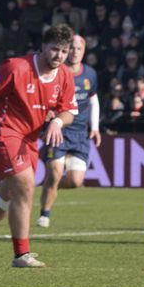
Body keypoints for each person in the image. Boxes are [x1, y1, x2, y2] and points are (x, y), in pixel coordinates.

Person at [0, 24, 79, 268]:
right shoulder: (16, 67)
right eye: (54, 49)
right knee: (25, 185)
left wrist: (57, 123)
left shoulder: (64, 75)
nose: (59, 56)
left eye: (64, 52)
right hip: (3, 130)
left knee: (9, 194)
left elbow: (69, 111)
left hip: (29, 139)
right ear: (42, 46)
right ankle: (21, 255)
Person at [36, 34, 100, 227]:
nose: (74, 52)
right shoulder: (57, 71)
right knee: (55, 172)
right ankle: (45, 214)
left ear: (84, 52)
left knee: (74, 181)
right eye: (71, 48)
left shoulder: (90, 74)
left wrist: (95, 128)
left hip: (80, 133)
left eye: (78, 48)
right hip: (59, 130)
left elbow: (93, 100)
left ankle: (50, 185)